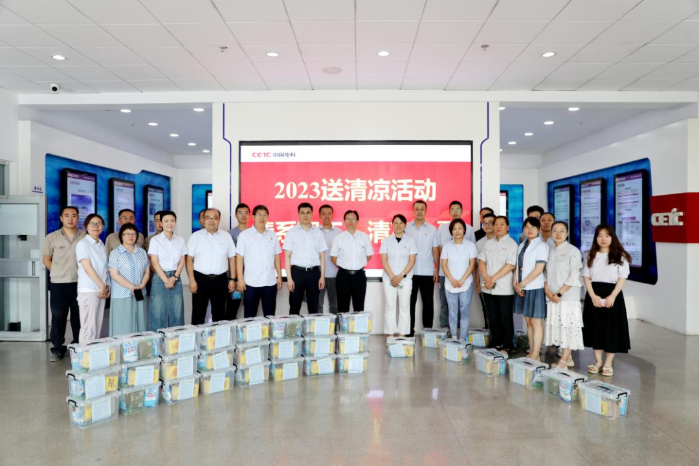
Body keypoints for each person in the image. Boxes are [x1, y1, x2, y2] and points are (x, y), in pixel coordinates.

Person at [582, 224, 631, 377]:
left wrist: (613, 295)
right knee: (595, 327)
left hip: (613, 294)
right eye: (600, 235)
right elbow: (586, 277)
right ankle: (597, 362)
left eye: (607, 235)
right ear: (595, 238)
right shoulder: (589, 255)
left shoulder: (620, 255)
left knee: (612, 328)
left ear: (612, 237)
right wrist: (592, 296)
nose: (603, 239)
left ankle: (608, 363)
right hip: (594, 294)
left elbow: (622, 277)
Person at [42, 206, 86, 362]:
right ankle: (57, 348)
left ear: (78, 218)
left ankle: (78, 345)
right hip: (59, 283)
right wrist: (56, 271)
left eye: (74, 215)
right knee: (58, 316)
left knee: (79, 317)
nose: (70, 218)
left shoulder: (84, 236)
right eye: (67, 215)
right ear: (61, 218)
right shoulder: (52, 237)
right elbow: (46, 258)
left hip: (80, 283)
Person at [186, 208, 237, 324]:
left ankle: (218, 336)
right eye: (208, 218)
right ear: (203, 220)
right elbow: (189, 259)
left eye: (215, 218)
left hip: (220, 279)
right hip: (200, 279)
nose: (211, 221)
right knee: (198, 313)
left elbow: (232, 258)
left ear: (219, 219)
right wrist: (191, 280)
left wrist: (232, 279)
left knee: (220, 314)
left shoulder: (226, 236)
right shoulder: (195, 236)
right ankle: (197, 335)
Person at [544, 221, 584, 369]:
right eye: (555, 230)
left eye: (562, 231)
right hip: (552, 296)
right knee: (559, 328)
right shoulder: (549, 250)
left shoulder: (573, 251)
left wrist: (560, 293)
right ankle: (568, 358)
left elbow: (574, 276)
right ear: (551, 233)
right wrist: (547, 291)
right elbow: (546, 273)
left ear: (567, 233)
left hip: (567, 297)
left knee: (567, 328)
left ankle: (562, 363)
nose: (558, 233)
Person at [478, 216, 518, 353]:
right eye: (496, 224)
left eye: (502, 224)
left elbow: (510, 265)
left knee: (505, 317)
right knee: (492, 316)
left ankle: (508, 344)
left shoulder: (512, 244)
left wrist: (492, 279)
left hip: (504, 288)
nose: (498, 227)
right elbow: (481, 261)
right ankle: (495, 342)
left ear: (507, 226)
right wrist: (486, 277)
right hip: (488, 288)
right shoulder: (489, 243)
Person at [513, 217, 549, 361]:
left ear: (539, 230)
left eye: (533, 227)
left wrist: (522, 284)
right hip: (522, 287)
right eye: (527, 227)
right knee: (528, 322)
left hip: (534, 287)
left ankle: (536, 354)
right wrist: (516, 283)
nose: (529, 230)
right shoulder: (522, 245)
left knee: (536, 322)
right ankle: (531, 352)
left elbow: (539, 269)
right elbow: (517, 266)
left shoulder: (542, 246)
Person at [237, 205, 282, 317]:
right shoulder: (244, 235)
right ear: (253, 217)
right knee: (250, 317)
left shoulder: (272, 235)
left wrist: (279, 276)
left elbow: (277, 256)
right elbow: (239, 258)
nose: (262, 218)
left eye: (265, 215)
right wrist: (240, 279)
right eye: (259, 215)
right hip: (251, 283)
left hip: (270, 282)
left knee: (270, 316)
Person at [438, 200, 476, 330]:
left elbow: (472, 256)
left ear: (462, 211)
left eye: (458, 209)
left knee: (463, 307)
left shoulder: (469, 229)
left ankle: (460, 331)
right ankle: (447, 330)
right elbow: (439, 250)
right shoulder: (442, 229)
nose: (455, 212)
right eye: (452, 209)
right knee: (446, 304)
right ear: (449, 211)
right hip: (445, 273)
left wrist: (464, 278)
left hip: (464, 275)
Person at [284, 203, 327, 315]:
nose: (305, 215)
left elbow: (322, 256)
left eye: (308, 213)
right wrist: (289, 278)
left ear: (312, 214)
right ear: (298, 214)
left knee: (314, 307)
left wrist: (322, 277)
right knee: (294, 306)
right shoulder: (292, 232)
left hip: (314, 273)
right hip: (297, 273)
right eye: (302, 213)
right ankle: (293, 327)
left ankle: (312, 327)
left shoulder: (318, 232)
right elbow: (287, 256)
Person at [108, 223, 150, 336]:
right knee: (123, 324)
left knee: (140, 321)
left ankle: (139, 344)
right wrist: (132, 287)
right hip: (122, 294)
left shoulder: (142, 252)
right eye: (127, 234)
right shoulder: (116, 253)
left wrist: (141, 286)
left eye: (133, 234)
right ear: (121, 236)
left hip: (140, 292)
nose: (130, 236)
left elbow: (147, 271)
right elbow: (114, 275)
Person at [405, 200, 439, 336]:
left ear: (426, 211)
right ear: (413, 211)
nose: (419, 212)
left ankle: (428, 332)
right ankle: (409, 332)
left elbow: (435, 251)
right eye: (417, 209)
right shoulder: (406, 228)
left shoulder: (432, 229)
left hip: (427, 272)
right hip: (409, 272)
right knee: (409, 303)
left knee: (428, 303)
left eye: (422, 209)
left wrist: (436, 269)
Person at [148, 210, 187, 330]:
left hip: (176, 277)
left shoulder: (180, 240)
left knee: (177, 311)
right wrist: (166, 280)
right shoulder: (155, 240)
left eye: (172, 221)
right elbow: (155, 262)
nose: (169, 224)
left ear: (175, 222)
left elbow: (182, 261)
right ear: (161, 223)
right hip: (160, 277)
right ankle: (158, 339)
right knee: (158, 311)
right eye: (166, 221)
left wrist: (174, 278)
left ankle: (176, 337)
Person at [380, 214, 417, 336]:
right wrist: (392, 277)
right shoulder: (386, 240)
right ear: (392, 225)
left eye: (401, 223)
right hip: (389, 279)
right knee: (390, 306)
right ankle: (390, 335)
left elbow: (412, 261)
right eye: (395, 223)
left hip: (405, 280)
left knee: (404, 307)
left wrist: (401, 275)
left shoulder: (410, 241)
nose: (398, 225)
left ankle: (402, 335)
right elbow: (384, 260)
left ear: (405, 225)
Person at [75, 214, 109, 343]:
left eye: (99, 223)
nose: (96, 226)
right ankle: (84, 353)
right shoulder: (83, 244)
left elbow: (104, 268)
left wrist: (106, 286)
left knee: (97, 326)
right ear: (86, 226)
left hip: (100, 289)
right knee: (88, 327)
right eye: (92, 224)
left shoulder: (100, 243)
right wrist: (102, 285)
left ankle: (93, 353)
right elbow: (87, 268)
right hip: (89, 289)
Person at [331, 210, 373, 314]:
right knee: (342, 307)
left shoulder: (364, 237)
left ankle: (358, 326)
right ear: (344, 221)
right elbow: (333, 257)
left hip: (359, 276)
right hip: (343, 276)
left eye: (353, 219)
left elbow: (369, 255)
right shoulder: (338, 238)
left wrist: (359, 265)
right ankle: (342, 325)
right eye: (348, 219)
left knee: (359, 307)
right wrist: (344, 266)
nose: (350, 221)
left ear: (357, 221)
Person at [318, 204, 342, 315]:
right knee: (318, 305)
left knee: (335, 305)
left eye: (329, 214)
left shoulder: (340, 233)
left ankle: (335, 325)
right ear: (319, 216)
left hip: (335, 274)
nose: (326, 217)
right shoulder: (315, 232)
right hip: (318, 275)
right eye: (323, 214)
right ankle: (318, 326)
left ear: (333, 215)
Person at [227, 203, 250, 319]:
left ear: (250, 215)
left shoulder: (253, 232)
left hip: (251, 277)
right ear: (236, 215)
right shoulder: (230, 234)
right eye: (240, 213)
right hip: (235, 277)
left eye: (246, 213)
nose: (243, 215)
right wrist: (233, 278)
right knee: (232, 308)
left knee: (250, 307)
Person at [475, 212, 497, 328]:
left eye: (490, 223)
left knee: (499, 309)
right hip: (484, 280)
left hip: (500, 281)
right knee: (486, 308)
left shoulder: (502, 241)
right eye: (485, 223)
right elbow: (476, 265)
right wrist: (477, 283)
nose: (487, 225)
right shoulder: (479, 243)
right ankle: (489, 333)